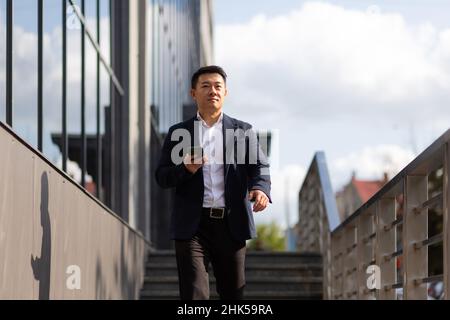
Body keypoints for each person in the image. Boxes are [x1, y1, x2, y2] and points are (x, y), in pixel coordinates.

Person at [155, 65, 271, 300]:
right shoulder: (179, 132)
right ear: (193, 93)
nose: (212, 91)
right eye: (205, 86)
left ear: (225, 93)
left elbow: (260, 168)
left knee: (233, 295)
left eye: (218, 86)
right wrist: (185, 169)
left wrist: (260, 189)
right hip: (192, 227)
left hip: (231, 224)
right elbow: (162, 176)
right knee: (194, 295)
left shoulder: (243, 131)